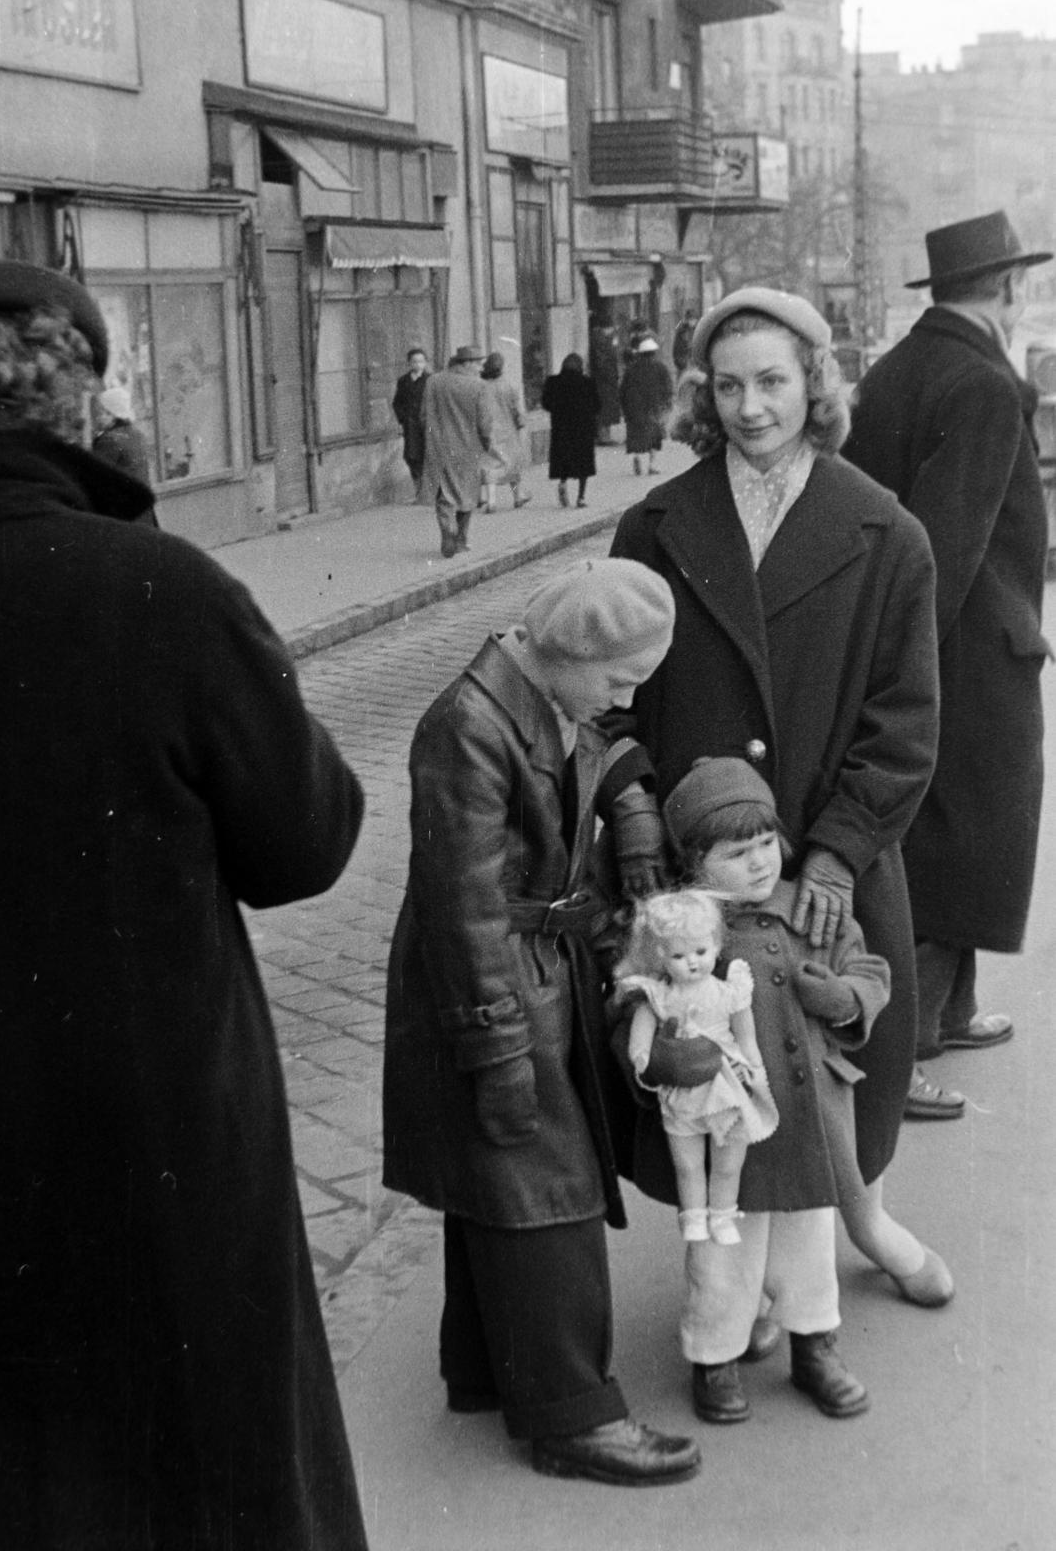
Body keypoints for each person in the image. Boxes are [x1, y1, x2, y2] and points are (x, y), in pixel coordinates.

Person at [0, 262, 369, 1546]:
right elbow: (304, 843)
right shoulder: (158, 589)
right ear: (84, 409)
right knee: (201, 1455)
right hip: (154, 1132)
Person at [608, 286, 945, 1312]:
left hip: (824, 858)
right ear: (699, 398)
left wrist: (838, 852)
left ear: (813, 383)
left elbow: (905, 723)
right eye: (727, 385)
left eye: (772, 381)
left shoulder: (885, 534)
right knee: (713, 1059)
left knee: (846, 1052)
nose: (750, 407)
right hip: (700, 867)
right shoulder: (656, 524)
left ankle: (865, 1218)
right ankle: (742, 1280)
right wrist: (634, 811)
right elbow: (611, 696)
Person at [382, 558, 702, 1487]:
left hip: (528, 963)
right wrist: (495, 1045)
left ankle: (487, 1371)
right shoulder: (469, 726)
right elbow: (464, 904)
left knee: (503, 1170)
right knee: (540, 1177)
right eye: (616, 679)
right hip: (489, 973)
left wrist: (629, 804)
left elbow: (600, 754)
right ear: (563, 654)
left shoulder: (537, 696)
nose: (627, 695)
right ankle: (570, 1418)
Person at [842, 211, 1053, 1122]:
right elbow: (949, 541)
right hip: (961, 651)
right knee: (960, 833)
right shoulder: (978, 381)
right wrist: (908, 669)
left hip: (947, 644)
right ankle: (912, 1045)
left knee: (961, 827)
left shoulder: (898, 371)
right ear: (1003, 289)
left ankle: (952, 1010)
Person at [615, 757, 895, 1424]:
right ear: (694, 863)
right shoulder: (678, 931)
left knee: (807, 1238)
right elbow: (631, 999)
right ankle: (713, 1357)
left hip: (806, 1118)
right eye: (737, 853)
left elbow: (870, 968)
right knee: (721, 1249)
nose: (760, 863)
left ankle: (814, 1346)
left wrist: (844, 995)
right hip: (720, 1122)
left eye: (766, 843)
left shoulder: (808, 906)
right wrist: (658, 1054)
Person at [617, 890, 778, 1247]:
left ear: (717, 945)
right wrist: (645, 1057)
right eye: (679, 955)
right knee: (687, 1164)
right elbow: (640, 1040)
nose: (692, 962)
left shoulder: (730, 992)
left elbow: (746, 1037)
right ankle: (693, 1215)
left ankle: (722, 1213)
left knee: (727, 1161)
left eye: (701, 952)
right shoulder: (657, 996)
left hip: (726, 1084)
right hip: (682, 1088)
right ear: (661, 955)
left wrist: (755, 1070)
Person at [421, 343, 499, 558]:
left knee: (445, 494)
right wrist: (487, 444)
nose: (480, 368)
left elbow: (423, 416)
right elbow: (485, 423)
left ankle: (448, 530)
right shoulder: (480, 387)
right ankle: (461, 540)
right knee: (467, 494)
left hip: (438, 448)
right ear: (467, 363)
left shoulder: (433, 381)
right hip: (467, 449)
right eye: (477, 364)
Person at [541, 352, 601, 508]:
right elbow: (597, 405)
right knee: (583, 464)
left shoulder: (553, 382)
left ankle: (562, 482)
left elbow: (546, 403)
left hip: (561, 429)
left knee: (563, 459)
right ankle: (580, 497)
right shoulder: (587, 382)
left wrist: (558, 411)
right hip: (583, 430)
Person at [479, 350, 530, 512]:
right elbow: (517, 410)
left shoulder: (482, 386)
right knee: (512, 464)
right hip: (508, 431)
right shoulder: (510, 385)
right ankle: (518, 496)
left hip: (489, 431)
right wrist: (520, 423)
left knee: (490, 464)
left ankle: (491, 501)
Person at [620, 335, 674, 476]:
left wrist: (624, 407)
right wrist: (667, 403)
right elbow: (668, 388)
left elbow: (623, 389)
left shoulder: (631, 368)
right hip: (654, 407)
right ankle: (651, 465)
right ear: (654, 353)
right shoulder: (660, 368)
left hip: (635, 408)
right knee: (655, 437)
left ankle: (637, 457)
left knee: (636, 436)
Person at [91, 382, 151, 486]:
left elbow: (97, 476)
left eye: (102, 413)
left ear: (112, 414)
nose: (100, 417)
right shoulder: (137, 434)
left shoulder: (110, 439)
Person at [392, 345, 430, 502]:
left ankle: (428, 493)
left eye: (421, 361)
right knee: (412, 457)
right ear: (409, 363)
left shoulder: (430, 380)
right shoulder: (403, 381)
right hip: (410, 426)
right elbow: (397, 402)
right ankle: (418, 492)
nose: (418, 364)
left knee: (427, 456)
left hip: (426, 425)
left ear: (425, 363)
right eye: (414, 361)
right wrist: (403, 418)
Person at [673, 311, 699, 375]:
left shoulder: (696, 329)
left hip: (692, 363)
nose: (693, 321)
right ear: (687, 320)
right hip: (684, 363)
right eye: (691, 319)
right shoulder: (683, 331)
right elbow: (678, 348)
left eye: (694, 319)